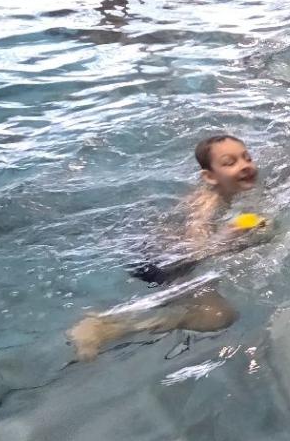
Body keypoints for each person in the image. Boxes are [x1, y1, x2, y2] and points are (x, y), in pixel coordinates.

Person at [67, 135, 265, 361]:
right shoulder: (207, 205)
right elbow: (196, 250)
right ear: (210, 177)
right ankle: (105, 327)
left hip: (155, 246)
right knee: (218, 315)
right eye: (230, 162)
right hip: (160, 262)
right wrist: (227, 238)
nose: (245, 165)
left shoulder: (232, 192)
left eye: (247, 158)